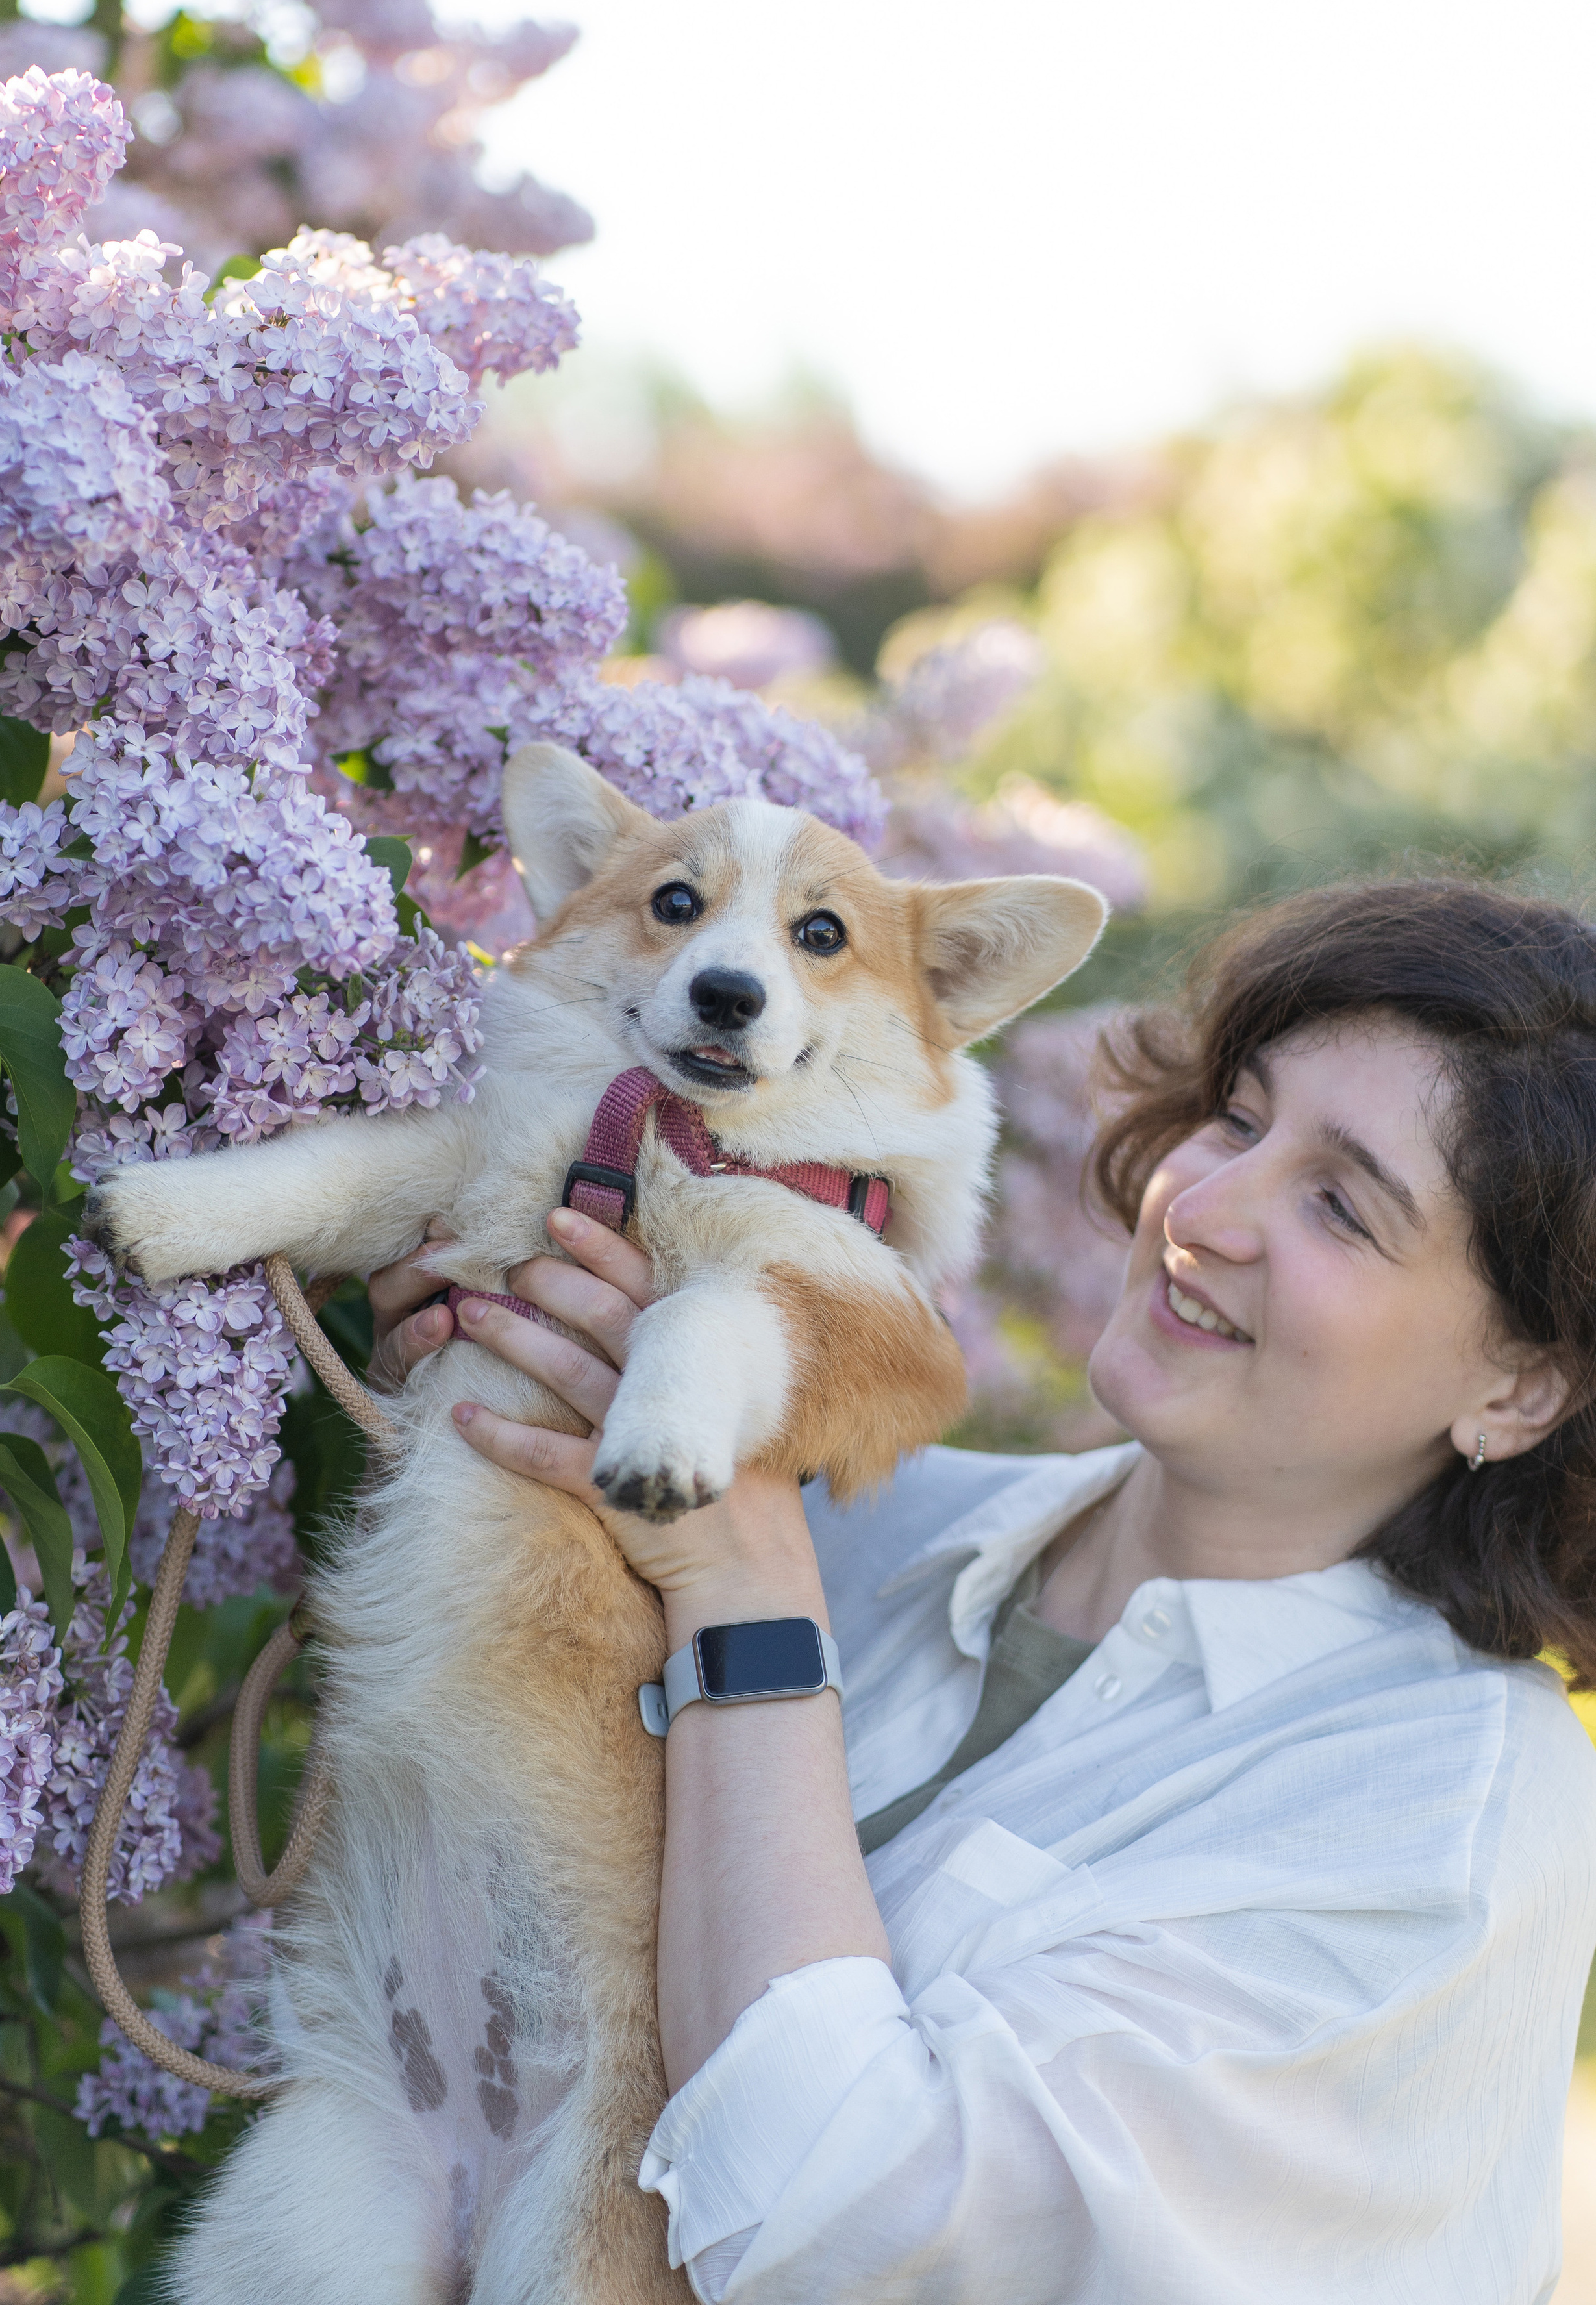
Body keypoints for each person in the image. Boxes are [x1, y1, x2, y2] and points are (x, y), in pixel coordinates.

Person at [368, 877, 1596, 2303]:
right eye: (1238, 1120)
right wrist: (469, 1410)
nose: (1202, 1206)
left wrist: (743, 1604)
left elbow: (854, 2231)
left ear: (1521, 1386)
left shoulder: (1438, 1819)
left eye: (1339, 1206)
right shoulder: (875, 1521)